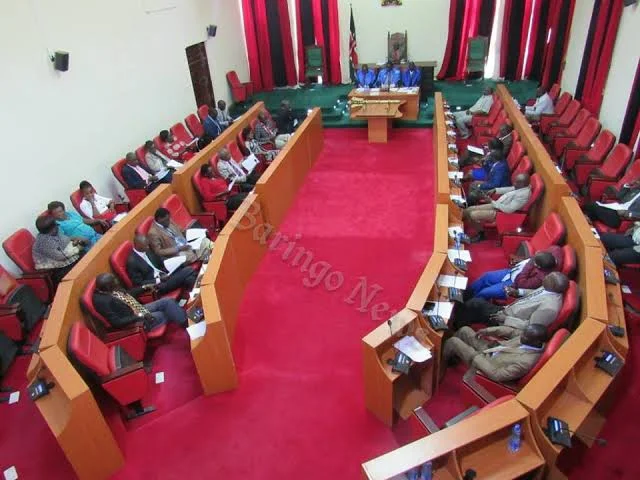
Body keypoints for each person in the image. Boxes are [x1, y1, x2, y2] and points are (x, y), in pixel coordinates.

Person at [455, 272, 569, 330]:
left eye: (547, 278)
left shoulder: (549, 308)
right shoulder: (549, 288)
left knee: (475, 304)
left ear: (553, 285)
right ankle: (461, 320)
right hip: (507, 310)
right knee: (476, 304)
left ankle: (456, 327)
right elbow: (534, 293)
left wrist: (506, 319)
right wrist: (517, 292)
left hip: (508, 322)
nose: (544, 278)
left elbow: (530, 326)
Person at [443, 323, 547, 383]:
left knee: (453, 342)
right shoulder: (530, 337)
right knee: (464, 330)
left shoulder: (526, 362)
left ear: (536, 342)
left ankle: (439, 365)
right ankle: (449, 355)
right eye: (523, 333)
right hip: (492, 348)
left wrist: (477, 357)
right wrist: (488, 331)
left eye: (525, 336)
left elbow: (497, 375)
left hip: (486, 363)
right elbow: (511, 331)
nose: (521, 336)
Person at [92, 272, 187, 331]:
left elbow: (128, 293)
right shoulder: (103, 302)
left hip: (139, 308)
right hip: (135, 320)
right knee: (165, 313)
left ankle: (186, 323)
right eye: (114, 281)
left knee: (168, 301)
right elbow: (117, 322)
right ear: (108, 286)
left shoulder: (112, 288)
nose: (117, 281)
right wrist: (140, 316)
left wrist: (144, 287)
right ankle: (187, 326)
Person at [468, 246, 563, 300]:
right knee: (486, 276)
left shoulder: (540, 278)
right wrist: (531, 259)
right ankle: (467, 293)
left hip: (513, 284)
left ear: (539, 267)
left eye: (535, 263)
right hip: (512, 272)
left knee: (485, 292)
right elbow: (555, 248)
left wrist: (529, 263)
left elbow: (521, 283)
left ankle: (470, 304)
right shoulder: (555, 252)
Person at [463, 173, 532, 242]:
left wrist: (491, 201)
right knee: (468, 210)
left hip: (502, 213)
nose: (514, 183)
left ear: (522, 184)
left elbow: (509, 210)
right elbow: (510, 189)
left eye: (516, 182)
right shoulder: (521, 187)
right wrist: (495, 190)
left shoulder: (523, 195)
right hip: (497, 205)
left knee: (472, 215)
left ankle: (481, 234)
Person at [127, 234, 198, 295]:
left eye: (148, 245)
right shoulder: (132, 262)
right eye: (145, 246)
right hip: (157, 286)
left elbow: (160, 261)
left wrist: (173, 264)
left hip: (166, 275)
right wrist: (159, 280)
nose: (148, 247)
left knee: (189, 279)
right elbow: (139, 283)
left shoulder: (147, 250)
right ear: (138, 246)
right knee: (189, 270)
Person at [147, 207, 214, 264]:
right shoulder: (153, 233)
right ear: (159, 219)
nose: (169, 221)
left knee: (205, 241)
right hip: (176, 253)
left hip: (186, 244)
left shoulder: (169, 221)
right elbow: (158, 252)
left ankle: (207, 257)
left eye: (169, 219)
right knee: (190, 254)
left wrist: (198, 233)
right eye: (166, 220)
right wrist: (178, 249)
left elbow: (182, 231)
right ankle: (204, 258)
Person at [32, 215, 84, 284]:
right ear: (52, 229)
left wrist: (74, 242)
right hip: (54, 269)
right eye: (56, 226)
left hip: (60, 257)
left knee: (83, 255)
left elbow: (65, 240)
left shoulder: (54, 232)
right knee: (80, 265)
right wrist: (77, 248)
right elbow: (61, 257)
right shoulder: (44, 241)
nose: (57, 227)